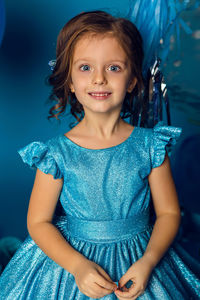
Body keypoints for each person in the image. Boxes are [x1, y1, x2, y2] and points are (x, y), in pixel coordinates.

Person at [0, 10, 200, 300]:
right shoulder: (55, 153)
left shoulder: (151, 146)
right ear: (69, 80)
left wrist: (147, 262)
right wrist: (78, 266)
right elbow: (38, 222)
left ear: (132, 80)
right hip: (71, 267)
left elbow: (169, 214)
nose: (99, 79)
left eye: (114, 68)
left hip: (141, 261)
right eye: (85, 68)